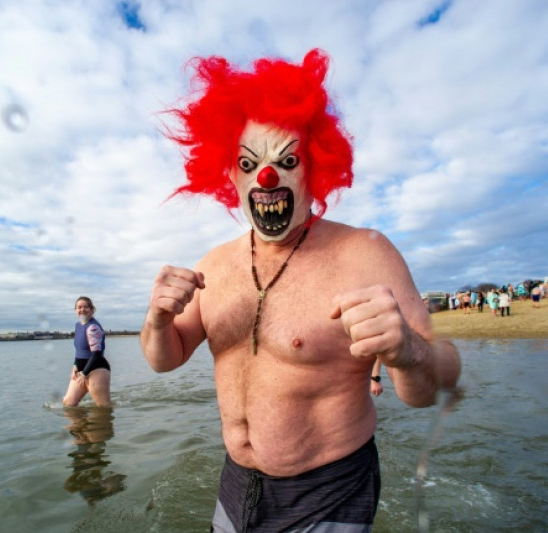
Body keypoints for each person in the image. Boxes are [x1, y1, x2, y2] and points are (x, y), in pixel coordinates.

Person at [140, 49, 461, 533]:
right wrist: (157, 320)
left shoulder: (365, 252)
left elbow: (426, 388)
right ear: (230, 174)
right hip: (236, 486)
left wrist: (408, 351)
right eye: (249, 163)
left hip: (330, 491)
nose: (266, 177)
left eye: (286, 161)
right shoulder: (213, 264)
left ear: (315, 166)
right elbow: (164, 359)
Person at [63, 296, 112, 408]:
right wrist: (75, 365)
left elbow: (96, 354)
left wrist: (84, 373)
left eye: (86, 307)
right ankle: (84, 425)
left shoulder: (93, 327)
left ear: (92, 310)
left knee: (102, 408)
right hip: (80, 370)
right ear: (75, 310)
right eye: (79, 307)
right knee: (68, 404)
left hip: (97, 368)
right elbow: (79, 350)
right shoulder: (78, 326)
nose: (82, 309)